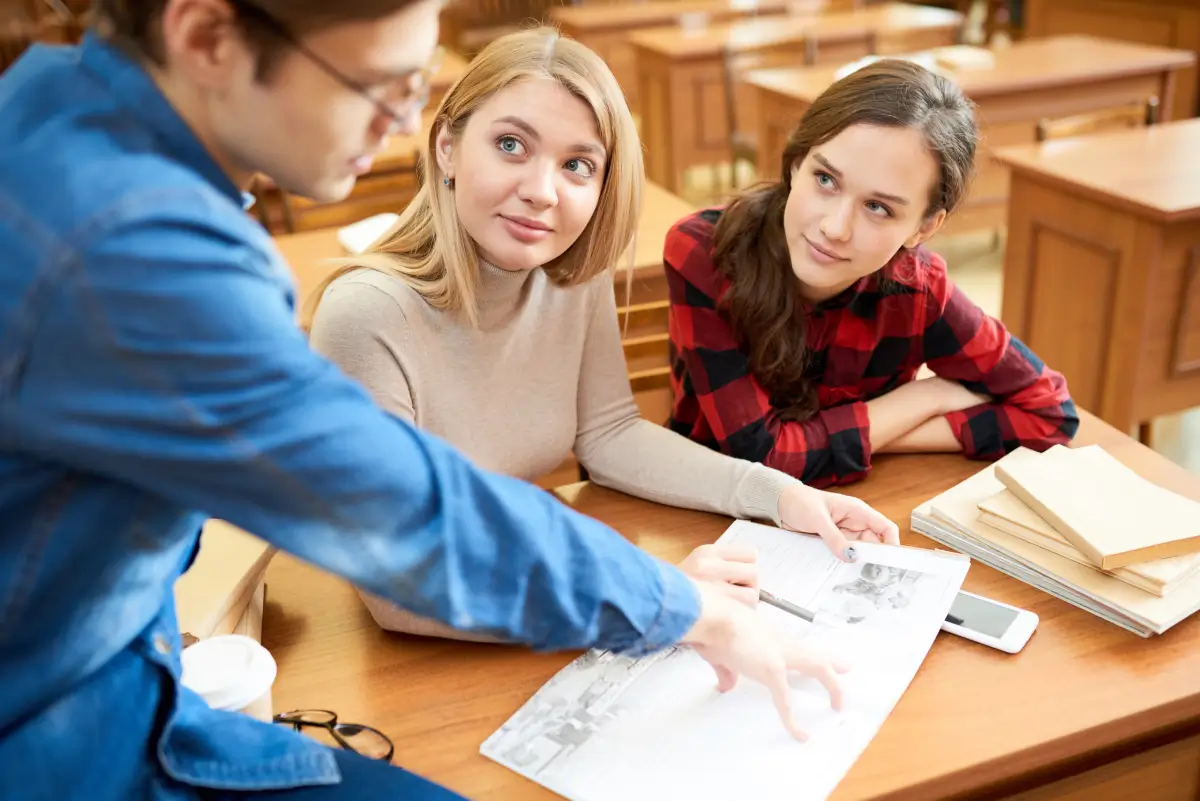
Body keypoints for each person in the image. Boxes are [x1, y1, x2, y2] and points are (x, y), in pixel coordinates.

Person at [0, 2, 854, 799]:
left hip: (119, 678)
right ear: (206, 37)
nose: (404, 123)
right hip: (63, 731)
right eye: (375, 85)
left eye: (414, 87)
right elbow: (408, 517)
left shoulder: (54, 106)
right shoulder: (135, 249)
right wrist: (678, 604)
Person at [306, 27, 901, 641]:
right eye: (511, 144)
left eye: (577, 165)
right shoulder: (367, 314)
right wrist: (651, 596)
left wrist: (781, 496)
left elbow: (609, 433)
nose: (541, 192)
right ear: (448, 147)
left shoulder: (566, 273)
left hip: (525, 593)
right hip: (434, 641)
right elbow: (400, 585)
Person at [663, 59, 1078, 489]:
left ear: (924, 227)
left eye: (878, 208)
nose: (834, 227)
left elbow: (1049, 413)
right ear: (795, 164)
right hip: (705, 514)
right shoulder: (706, 252)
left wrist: (876, 434)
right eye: (825, 179)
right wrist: (923, 399)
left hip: (859, 512)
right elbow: (763, 460)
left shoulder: (916, 288)